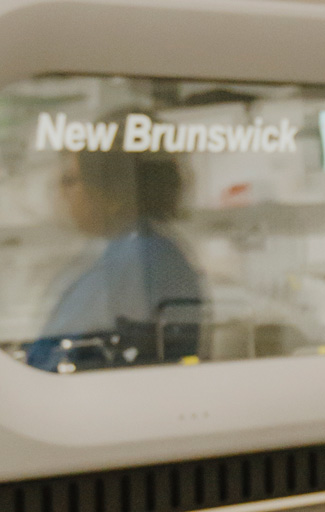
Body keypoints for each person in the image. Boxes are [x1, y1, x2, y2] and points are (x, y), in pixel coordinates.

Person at [27, 145, 205, 371]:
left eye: (71, 181)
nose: (62, 194)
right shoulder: (133, 248)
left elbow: (58, 355)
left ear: (111, 193)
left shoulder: (139, 257)